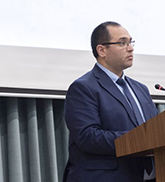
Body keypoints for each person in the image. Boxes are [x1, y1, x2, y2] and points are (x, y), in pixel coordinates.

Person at [63, 21, 158, 182]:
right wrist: (138, 140)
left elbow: (155, 131)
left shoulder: (140, 89)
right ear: (102, 50)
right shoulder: (84, 87)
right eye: (122, 43)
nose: (130, 48)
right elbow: (88, 137)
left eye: (131, 42)